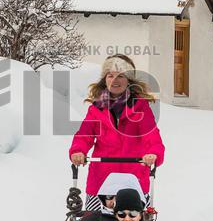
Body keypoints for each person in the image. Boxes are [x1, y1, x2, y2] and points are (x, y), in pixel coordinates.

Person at [69, 54, 165, 212]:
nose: (115, 80)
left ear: (129, 80)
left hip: (133, 178)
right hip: (102, 178)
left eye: (121, 76)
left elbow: (152, 136)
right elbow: (84, 135)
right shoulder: (96, 109)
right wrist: (78, 151)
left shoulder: (140, 107)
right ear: (105, 79)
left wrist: (153, 153)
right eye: (110, 75)